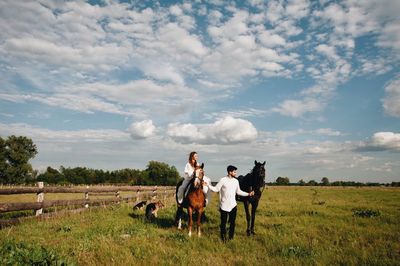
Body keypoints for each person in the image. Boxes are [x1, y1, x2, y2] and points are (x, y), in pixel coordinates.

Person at [206, 165, 254, 242]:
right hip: (224, 206)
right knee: (223, 224)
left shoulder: (236, 181)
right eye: (234, 172)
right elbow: (216, 189)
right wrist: (208, 185)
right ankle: (223, 238)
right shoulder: (222, 180)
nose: (236, 173)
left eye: (235, 172)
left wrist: (248, 194)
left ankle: (231, 238)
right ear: (230, 172)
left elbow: (239, 192)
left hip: (233, 206)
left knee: (232, 223)